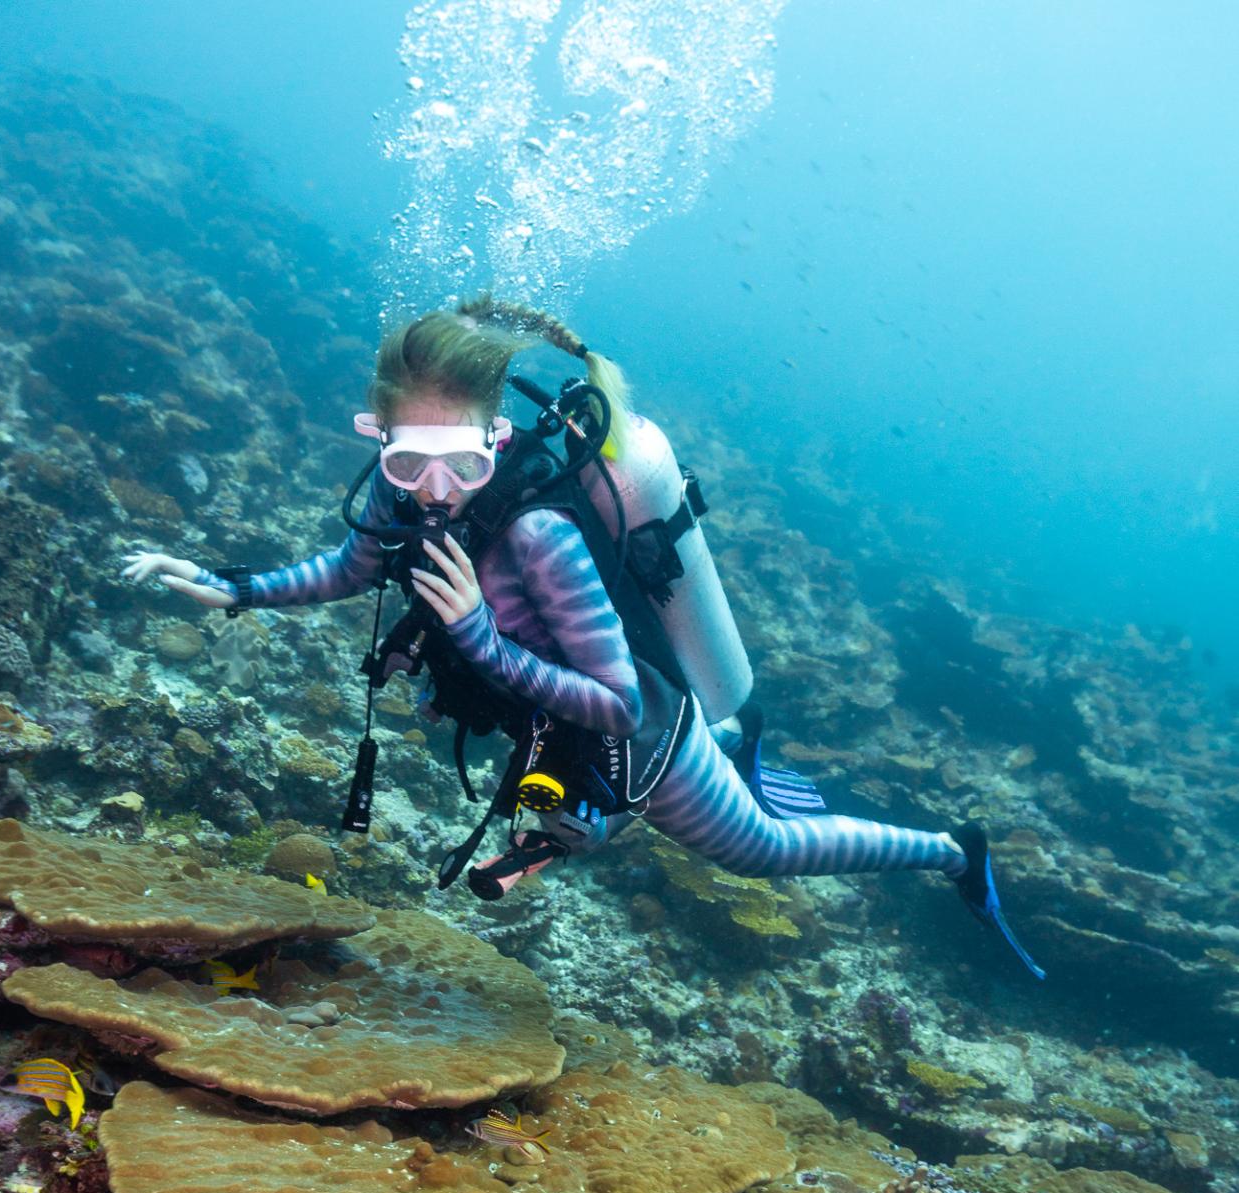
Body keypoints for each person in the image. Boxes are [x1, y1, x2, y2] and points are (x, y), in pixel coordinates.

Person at [123, 297, 1042, 977]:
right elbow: (347, 569)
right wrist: (230, 586)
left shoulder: (538, 535)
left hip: (642, 733)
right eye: (409, 460)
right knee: (604, 806)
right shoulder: (394, 496)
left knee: (761, 851)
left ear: (497, 436)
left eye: (463, 462)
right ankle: (717, 757)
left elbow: (618, 700)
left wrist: (478, 639)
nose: (436, 491)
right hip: (548, 718)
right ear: (379, 439)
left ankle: (954, 851)